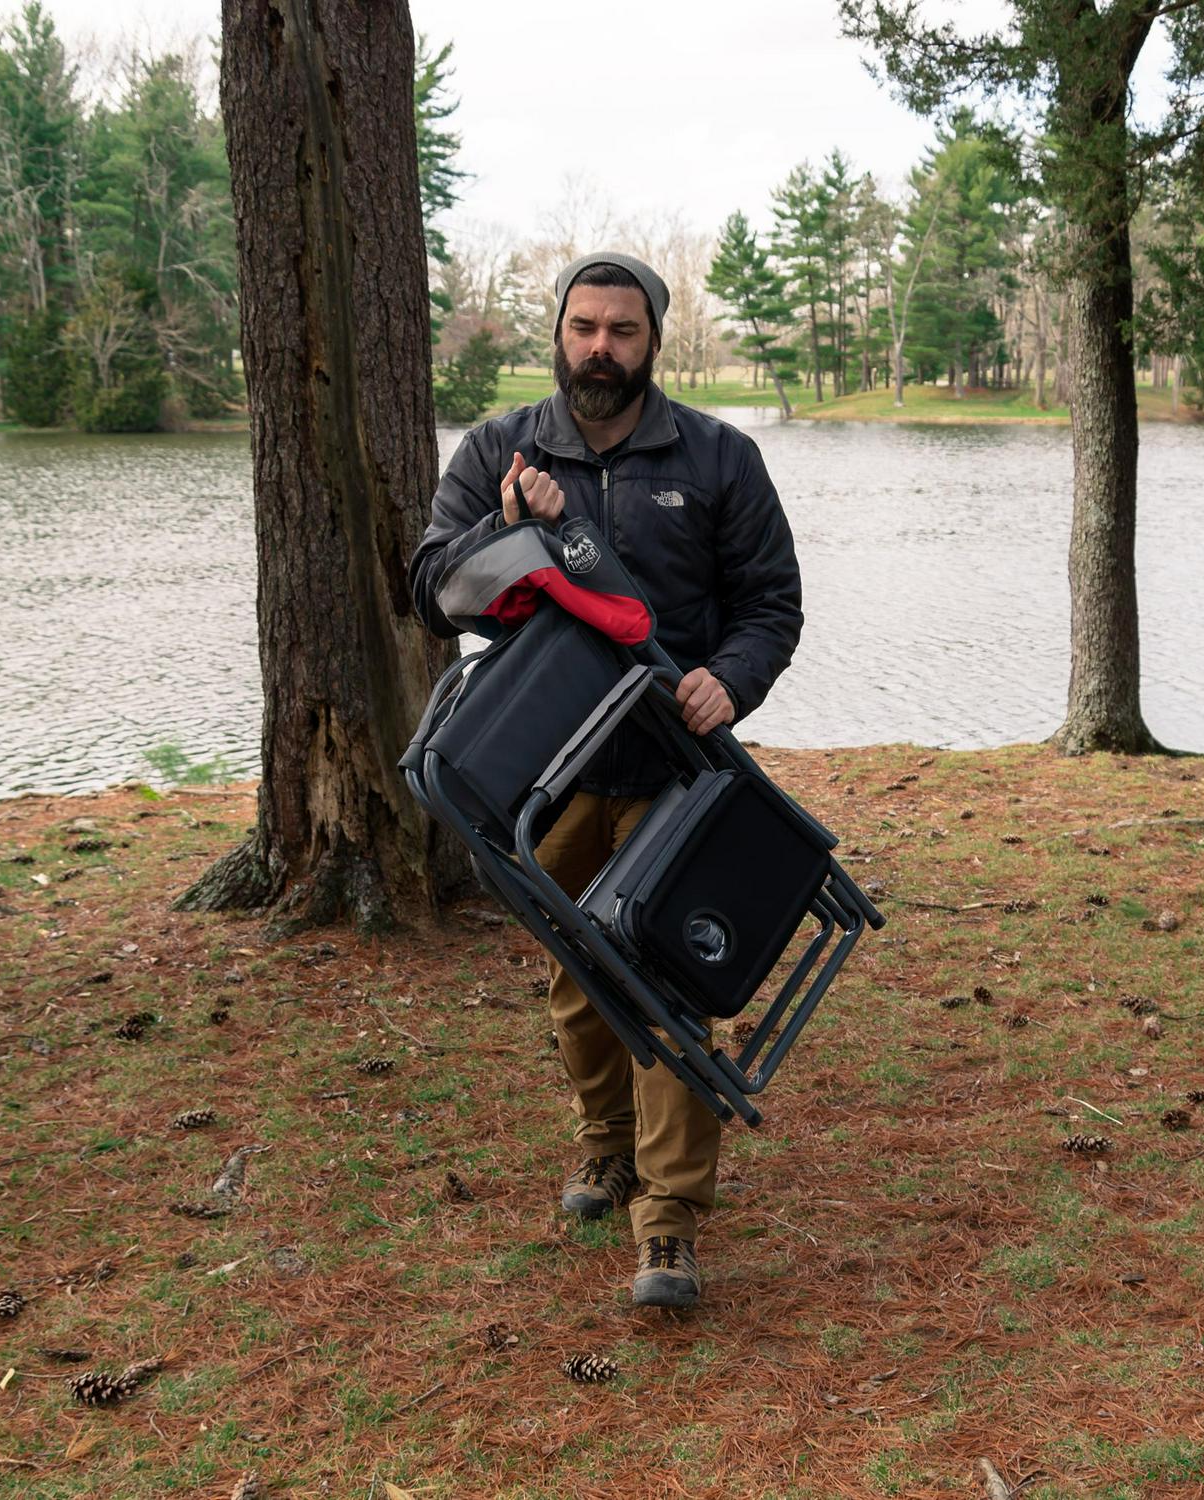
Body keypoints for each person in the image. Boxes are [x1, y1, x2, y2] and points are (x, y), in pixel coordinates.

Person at [408, 250, 802, 1307]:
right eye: (585, 328)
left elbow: (773, 605)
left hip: (683, 771)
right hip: (550, 769)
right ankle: (604, 1141)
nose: (601, 349)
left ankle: (667, 1218)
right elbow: (433, 594)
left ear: (653, 343)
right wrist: (506, 526)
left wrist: (731, 678)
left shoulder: (719, 458)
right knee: (576, 981)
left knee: (669, 980)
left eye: (622, 331)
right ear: (558, 335)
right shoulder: (499, 447)